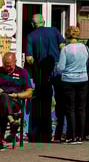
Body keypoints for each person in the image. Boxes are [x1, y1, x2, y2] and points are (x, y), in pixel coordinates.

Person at [25, 14, 64, 143]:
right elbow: (62, 47)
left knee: (44, 103)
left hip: (42, 72)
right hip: (57, 68)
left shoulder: (30, 36)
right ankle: (61, 132)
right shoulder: (54, 30)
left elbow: (29, 59)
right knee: (61, 100)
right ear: (44, 22)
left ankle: (43, 133)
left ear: (32, 24)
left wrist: (34, 67)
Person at [0, 52, 34, 150]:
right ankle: (11, 120)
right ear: (2, 62)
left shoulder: (22, 72)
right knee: (3, 98)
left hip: (15, 102)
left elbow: (29, 92)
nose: (8, 68)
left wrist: (17, 95)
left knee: (3, 102)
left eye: (10, 66)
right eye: (6, 65)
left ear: (15, 62)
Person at [54, 26, 89, 144]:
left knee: (70, 109)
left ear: (67, 36)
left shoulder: (65, 49)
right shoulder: (85, 47)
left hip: (68, 80)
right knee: (81, 108)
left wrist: (56, 68)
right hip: (83, 79)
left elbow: (61, 68)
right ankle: (81, 136)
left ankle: (72, 136)